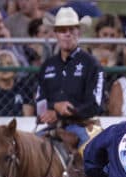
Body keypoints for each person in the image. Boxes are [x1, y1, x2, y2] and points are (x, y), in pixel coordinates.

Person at [35, 7, 104, 149]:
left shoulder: (92, 64)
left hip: (83, 126)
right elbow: (39, 100)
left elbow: (95, 105)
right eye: (62, 30)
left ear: (78, 32)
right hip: (53, 127)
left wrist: (67, 112)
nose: (67, 34)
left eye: (71, 30)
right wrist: (53, 107)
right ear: (56, 34)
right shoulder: (47, 65)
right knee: (29, 149)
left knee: (89, 152)